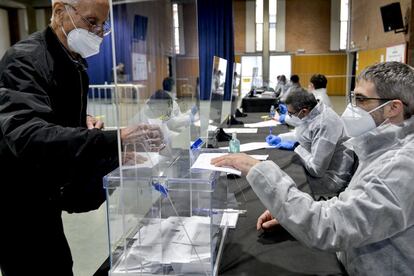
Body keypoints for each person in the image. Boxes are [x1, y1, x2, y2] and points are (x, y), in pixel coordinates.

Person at [0, 0, 162, 275]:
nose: (98, 32)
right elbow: (29, 135)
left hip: (48, 200)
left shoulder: (73, 62)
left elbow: (54, 121)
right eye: (91, 22)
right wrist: (117, 139)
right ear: (60, 10)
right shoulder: (24, 59)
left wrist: (85, 128)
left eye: (103, 25)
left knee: (61, 265)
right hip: (19, 205)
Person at [211, 61, 414, 275]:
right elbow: (352, 205)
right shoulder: (385, 147)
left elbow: (329, 227)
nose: (352, 107)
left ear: (393, 108)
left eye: (361, 99)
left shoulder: (401, 166)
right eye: (353, 97)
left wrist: (257, 169)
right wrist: (291, 215)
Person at [266, 89, 356, 197]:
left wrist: (296, 147)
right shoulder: (312, 112)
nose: (289, 116)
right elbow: (305, 134)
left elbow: (317, 169)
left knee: (282, 187)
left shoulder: (325, 124)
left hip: (331, 179)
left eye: (290, 113)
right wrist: (281, 138)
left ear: (304, 111)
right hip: (320, 168)